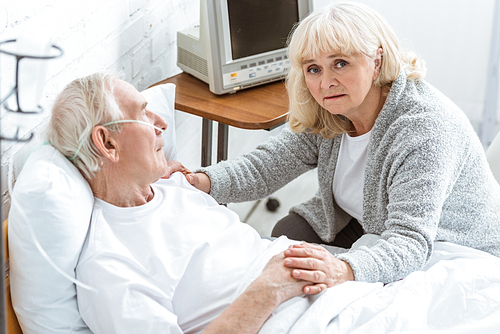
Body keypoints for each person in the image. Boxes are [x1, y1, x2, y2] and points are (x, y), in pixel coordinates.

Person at [179, 1, 500, 285]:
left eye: (341, 63)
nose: (326, 82)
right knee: (287, 241)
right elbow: (267, 165)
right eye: (313, 69)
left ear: (377, 61)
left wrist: (343, 270)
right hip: (369, 220)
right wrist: (200, 181)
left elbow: (410, 242)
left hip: (449, 244)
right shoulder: (334, 109)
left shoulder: (423, 131)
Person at [47, 72, 351, 333]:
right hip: (295, 314)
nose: (162, 123)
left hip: (331, 294)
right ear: (108, 144)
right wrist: (268, 289)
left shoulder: (173, 185)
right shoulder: (108, 265)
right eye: (143, 114)